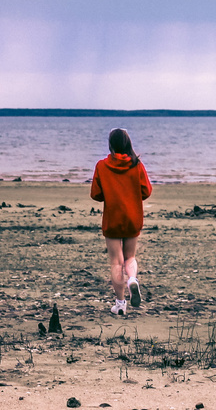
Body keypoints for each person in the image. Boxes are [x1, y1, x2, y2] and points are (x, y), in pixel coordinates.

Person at [90, 128, 152, 316]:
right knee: (130, 257)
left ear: (111, 144)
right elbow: (146, 191)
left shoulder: (102, 166)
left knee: (116, 262)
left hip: (113, 218)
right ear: (128, 143)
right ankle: (132, 279)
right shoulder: (136, 165)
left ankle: (120, 304)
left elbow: (95, 194)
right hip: (133, 217)